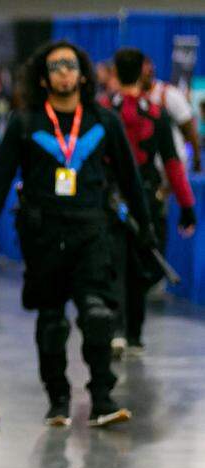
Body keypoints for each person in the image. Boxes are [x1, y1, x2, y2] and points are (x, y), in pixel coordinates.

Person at [0, 41, 156, 428]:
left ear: (83, 73)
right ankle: (58, 398)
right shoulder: (26, 124)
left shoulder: (103, 121)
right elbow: (0, 180)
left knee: (97, 315)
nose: (63, 72)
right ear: (43, 77)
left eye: (70, 65)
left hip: (92, 230)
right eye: (55, 66)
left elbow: (130, 177)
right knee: (52, 322)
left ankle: (103, 397)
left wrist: (147, 229)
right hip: (43, 234)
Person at [104, 48, 197, 356]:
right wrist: (187, 205)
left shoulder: (104, 111)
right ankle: (134, 333)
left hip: (111, 197)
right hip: (146, 197)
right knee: (140, 263)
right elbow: (172, 163)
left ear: (116, 72)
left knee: (116, 262)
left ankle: (117, 328)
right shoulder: (153, 113)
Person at [143, 59, 202, 173]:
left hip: (170, 166)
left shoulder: (170, 94)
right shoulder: (126, 98)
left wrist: (197, 158)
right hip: (144, 166)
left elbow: (189, 129)